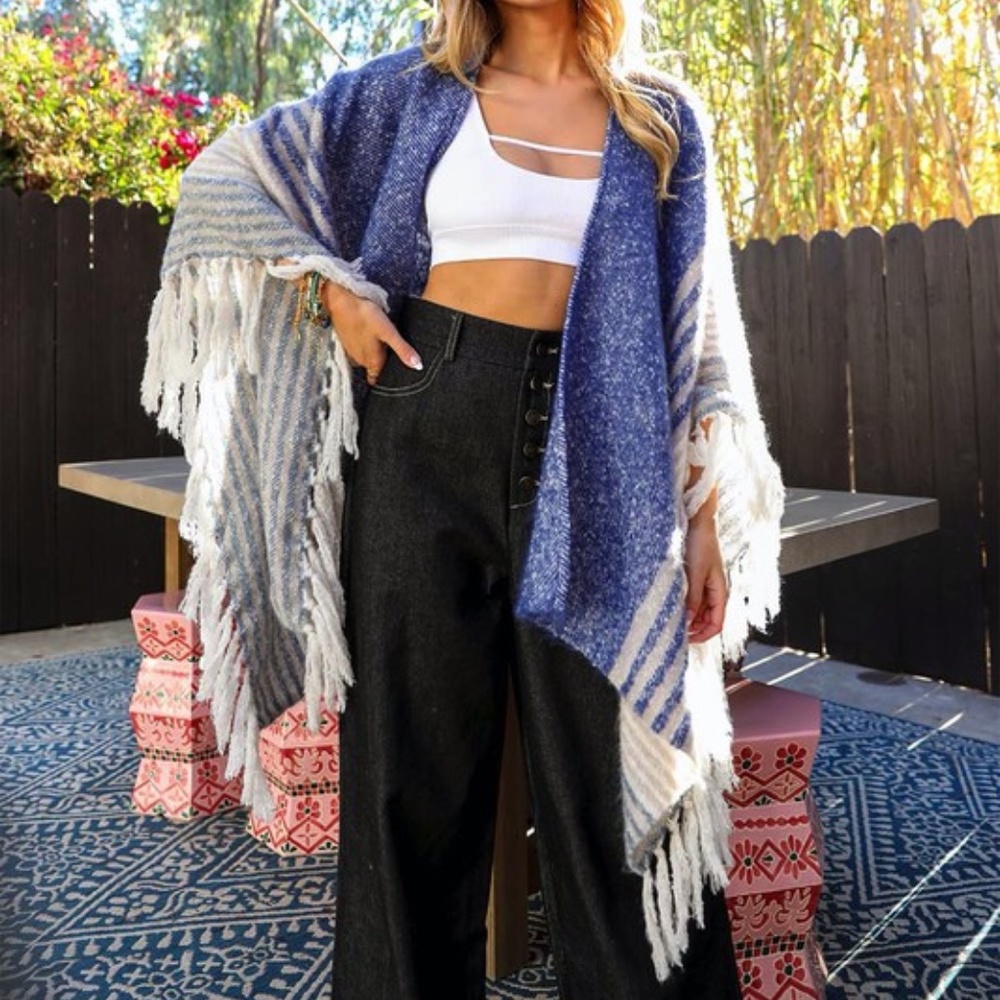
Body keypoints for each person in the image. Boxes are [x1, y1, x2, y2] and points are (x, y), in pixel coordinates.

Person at [141, 1, 785, 997]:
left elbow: (695, 334)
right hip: (423, 425)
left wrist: (704, 518)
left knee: (618, 786)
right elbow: (229, 177)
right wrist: (330, 290)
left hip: (605, 454)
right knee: (410, 786)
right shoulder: (406, 95)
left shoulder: (659, 119)